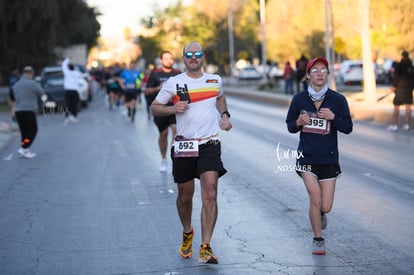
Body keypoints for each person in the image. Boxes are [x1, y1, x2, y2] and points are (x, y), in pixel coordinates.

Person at [151, 42, 232, 264]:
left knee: (210, 193)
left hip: (209, 143)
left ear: (203, 57)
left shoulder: (215, 80)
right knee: (185, 196)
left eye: (197, 54)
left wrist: (224, 115)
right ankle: (188, 232)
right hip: (185, 145)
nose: (193, 57)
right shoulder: (174, 83)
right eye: (189, 54)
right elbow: (154, 107)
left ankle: (206, 246)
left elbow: (220, 97)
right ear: (184, 58)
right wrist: (171, 109)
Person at [286, 57, 353, 255]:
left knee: (325, 205)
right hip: (306, 158)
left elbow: (348, 127)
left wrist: (334, 118)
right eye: (315, 70)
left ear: (328, 74)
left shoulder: (338, 100)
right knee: (315, 197)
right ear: (308, 76)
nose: (320, 73)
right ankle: (318, 239)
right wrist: (298, 122)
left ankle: (322, 213)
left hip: (328, 158)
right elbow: (290, 125)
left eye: (323, 70)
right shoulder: (299, 99)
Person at [145, 51, 181, 172]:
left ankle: (173, 156)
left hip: (175, 109)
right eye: (166, 58)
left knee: (176, 131)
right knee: (163, 134)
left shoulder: (178, 73)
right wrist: (159, 87)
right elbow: (147, 91)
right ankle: (164, 159)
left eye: (170, 58)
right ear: (161, 60)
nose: (168, 61)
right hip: (161, 109)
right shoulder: (155, 74)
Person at [11, 66, 45, 159]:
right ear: (31, 74)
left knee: (24, 132)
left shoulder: (16, 85)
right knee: (33, 130)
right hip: (28, 110)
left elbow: (13, 97)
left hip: (18, 111)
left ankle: (24, 150)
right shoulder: (32, 83)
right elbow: (41, 92)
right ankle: (24, 148)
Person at [386, 50, 414, 131]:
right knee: (408, 106)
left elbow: (396, 76)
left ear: (402, 56)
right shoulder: (411, 66)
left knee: (396, 107)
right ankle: (407, 125)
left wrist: (394, 86)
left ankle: (394, 125)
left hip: (400, 89)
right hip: (409, 89)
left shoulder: (399, 65)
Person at [62, 57, 82, 124]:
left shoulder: (66, 72)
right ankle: (74, 116)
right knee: (74, 104)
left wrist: (68, 59)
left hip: (67, 91)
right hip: (74, 91)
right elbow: (80, 76)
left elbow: (64, 65)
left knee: (67, 104)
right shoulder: (77, 73)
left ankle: (67, 117)